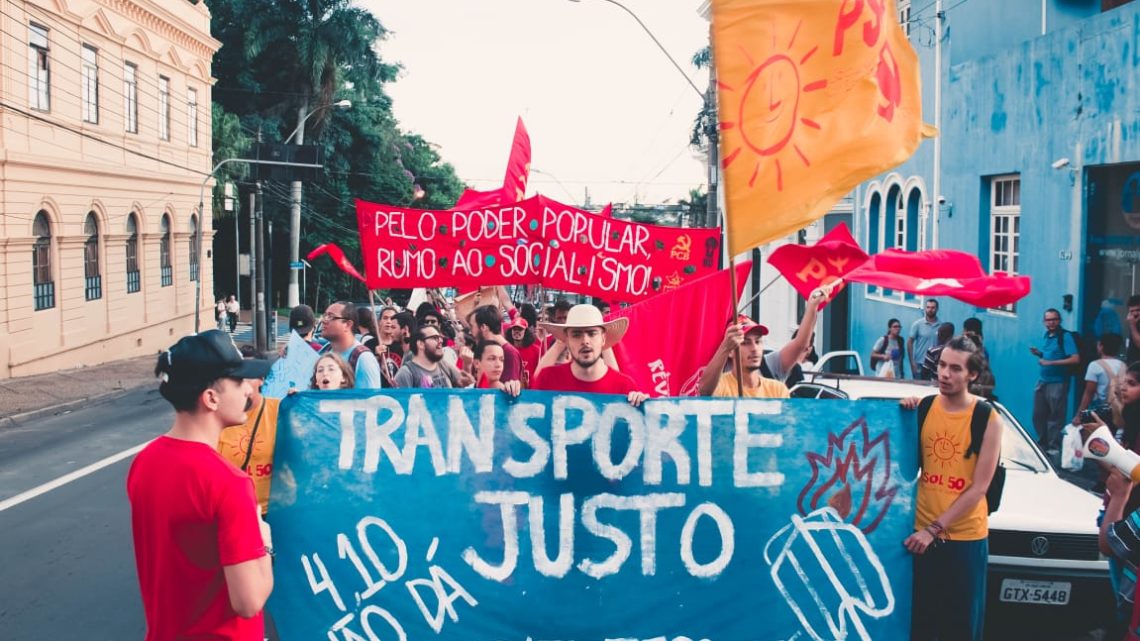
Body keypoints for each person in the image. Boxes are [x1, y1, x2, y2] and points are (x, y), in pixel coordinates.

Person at [128, 330, 273, 640]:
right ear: (211, 398)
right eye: (238, 381)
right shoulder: (229, 483)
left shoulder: (144, 462)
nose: (248, 389)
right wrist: (265, 542)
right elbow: (249, 602)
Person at [901, 336, 1002, 641]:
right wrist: (903, 413)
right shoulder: (926, 407)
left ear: (972, 374)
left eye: (955, 369)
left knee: (958, 627)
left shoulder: (987, 418)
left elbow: (978, 488)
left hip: (961, 537)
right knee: (920, 623)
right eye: (942, 365)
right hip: (918, 532)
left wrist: (933, 530)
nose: (944, 374)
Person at [1089, 362, 1140, 637]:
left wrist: (1103, 447)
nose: (1123, 386)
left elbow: (1127, 472)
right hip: (1120, 514)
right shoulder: (1126, 421)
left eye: (1132, 383)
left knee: (1125, 603)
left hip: (1127, 519)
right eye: (1124, 381)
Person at [530, 304, 648, 406]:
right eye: (576, 334)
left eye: (592, 333)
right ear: (567, 340)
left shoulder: (625, 387)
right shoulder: (547, 379)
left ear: (603, 338)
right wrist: (512, 392)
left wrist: (644, 407)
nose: (585, 341)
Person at [217, 348, 279, 516]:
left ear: (261, 379)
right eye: (236, 379)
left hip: (272, 513)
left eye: (247, 377)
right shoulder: (217, 416)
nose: (242, 386)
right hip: (231, 512)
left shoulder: (281, 410)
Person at [697, 316, 790, 399]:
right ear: (730, 351)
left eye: (758, 341)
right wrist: (724, 348)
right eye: (745, 343)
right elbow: (704, 393)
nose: (754, 348)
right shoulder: (719, 385)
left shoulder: (778, 390)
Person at [1030, 308, 1080, 452]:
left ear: (1059, 320)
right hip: (1043, 381)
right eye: (1048, 320)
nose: (1051, 322)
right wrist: (1039, 354)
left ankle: (1053, 448)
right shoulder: (1047, 336)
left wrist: (1050, 363)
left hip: (1058, 382)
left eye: (1054, 319)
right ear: (1044, 322)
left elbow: (1075, 359)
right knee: (1038, 415)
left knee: (1055, 417)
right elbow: (1049, 356)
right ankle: (1043, 443)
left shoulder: (1065, 337)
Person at [319, 301, 383, 389]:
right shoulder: (324, 351)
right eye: (325, 315)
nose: (323, 320)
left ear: (347, 324)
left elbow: (370, 401)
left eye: (330, 316)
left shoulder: (363, 359)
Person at [1072, 332, 1125, 428]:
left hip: (1101, 412)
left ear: (1101, 346)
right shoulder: (1123, 365)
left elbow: (1089, 393)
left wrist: (1079, 416)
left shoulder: (1095, 365)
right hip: (1120, 410)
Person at [394, 326, 470, 388]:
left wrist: (467, 364)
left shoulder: (442, 364)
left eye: (440, 338)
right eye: (435, 338)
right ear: (421, 344)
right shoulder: (406, 373)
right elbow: (399, 404)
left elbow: (464, 382)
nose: (441, 341)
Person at [471, 305, 522, 383]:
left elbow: (507, 392)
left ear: (483, 327)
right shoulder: (485, 348)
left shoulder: (509, 353)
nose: (471, 332)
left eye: (472, 327)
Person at [908, 298, 941, 380]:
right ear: (925, 308)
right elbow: (910, 342)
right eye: (928, 307)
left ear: (937, 309)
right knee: (918, 390)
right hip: (920, 363)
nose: (930, 310)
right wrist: (912, 363)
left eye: (933, 308)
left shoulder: (941, 326)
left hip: (934, 365)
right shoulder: (917, 324)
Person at [506, 316, 540, 388]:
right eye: (514, 329)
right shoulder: (506, 350)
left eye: (520, 329)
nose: (517, 331)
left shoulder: (536, 350)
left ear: (526, 332)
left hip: (530, 392)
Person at [1128, 295, 1140, 364]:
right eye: (1132, 311)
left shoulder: (1133, 324)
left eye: (1138, 310)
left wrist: (1132, 325)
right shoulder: (1135, 322)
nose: (1135, 313)